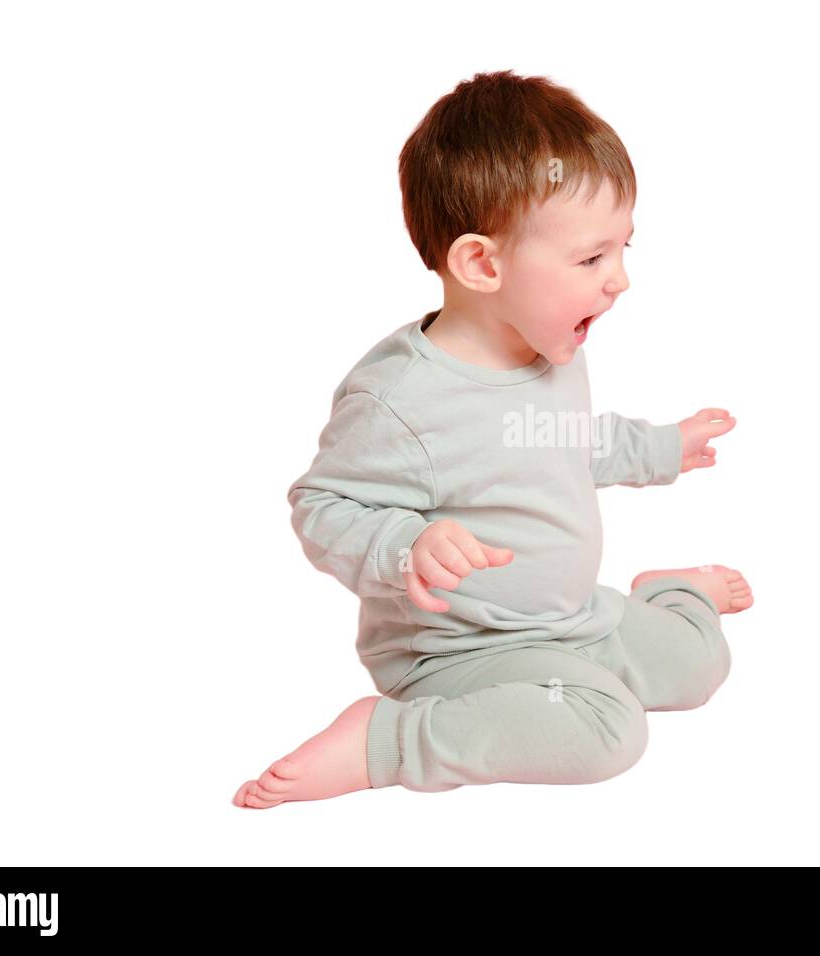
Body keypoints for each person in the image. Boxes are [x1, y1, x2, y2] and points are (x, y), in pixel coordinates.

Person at [232, 69, 753, 805]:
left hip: (571, 618)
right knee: (608, 731)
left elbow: (564, 444)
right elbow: (321, 508)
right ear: (483, 263)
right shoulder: (401, 401)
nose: (621, 281)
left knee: (699, 667)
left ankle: (671, 592)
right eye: (592, 258)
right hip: (459, 651)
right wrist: (409, 545)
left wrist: (662, 449)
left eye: (624, 249)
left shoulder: (547, 346)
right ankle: (386, 740)